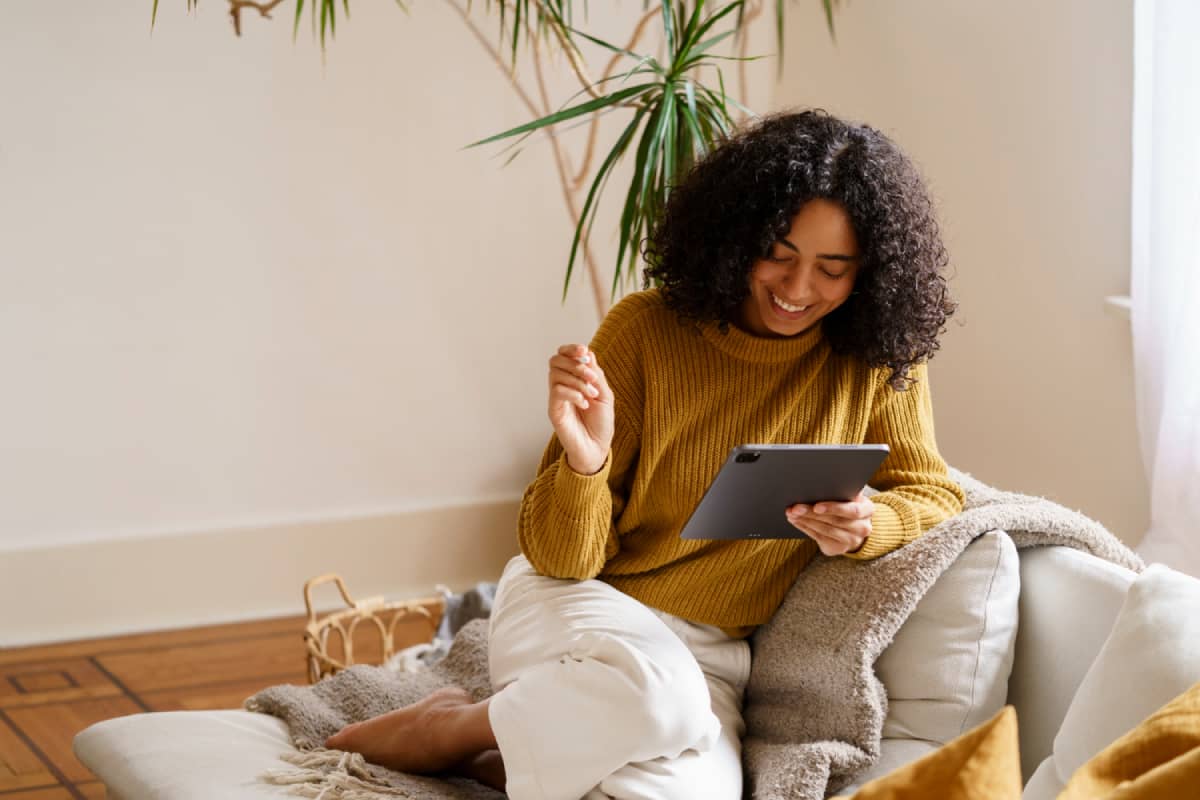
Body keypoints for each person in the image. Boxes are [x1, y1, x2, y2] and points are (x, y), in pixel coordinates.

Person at [324, 109, 966, 800]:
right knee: (659, 701)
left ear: (868, 273)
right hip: (577, 607)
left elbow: (931, 491)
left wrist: (872, 524)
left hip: (710, 657)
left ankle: (504, 761)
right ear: (736, 234)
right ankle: (458, 729)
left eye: (832, 269)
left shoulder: (874, 359)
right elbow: (560, 559)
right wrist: (585, 459)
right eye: (778, 252)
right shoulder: (647, 330)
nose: (798, 287)